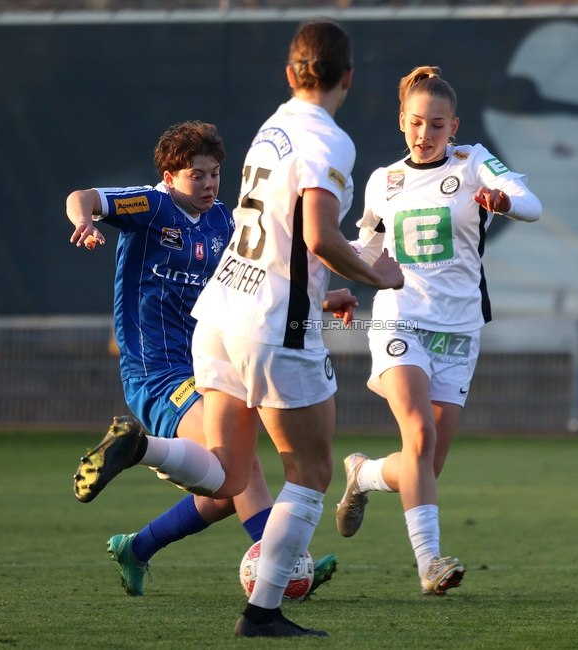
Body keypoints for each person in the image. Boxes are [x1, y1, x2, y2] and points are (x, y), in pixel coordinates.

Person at [189, 20, 403, 637]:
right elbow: (318, 236)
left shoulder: (272, 125)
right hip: (274, 327)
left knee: (230, 471)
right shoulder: (329, 140)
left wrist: (324, 283)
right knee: (311, 474)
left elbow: (290, 239)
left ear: (290, 73)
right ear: (349, 78)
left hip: (222, 308)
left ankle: (142, 449)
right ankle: (263, 615)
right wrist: (377, 276)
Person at [66, 121, 339, 598]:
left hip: (211, 365)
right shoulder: (152, 206)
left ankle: (136, 548)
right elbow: (82, 196)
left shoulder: (225, 224)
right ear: (170, 177)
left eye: (215, 174)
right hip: (155, 372)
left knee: (226, 490)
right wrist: (84, 220)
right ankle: (284, 565)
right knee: (244, 466)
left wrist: (320, 298)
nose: (209, 184)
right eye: (197, 175)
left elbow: (258, 280)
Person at [335, 66, 541, 595]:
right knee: (420, 435)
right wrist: (328, 287)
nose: (425, 134)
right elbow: (368, 251)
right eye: (416, 122)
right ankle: (429, 563)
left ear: (455, 126)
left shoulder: (474, 163)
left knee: (425, 463)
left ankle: (362, 475)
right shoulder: (384, 180)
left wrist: (504, 202)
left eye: (437, 124)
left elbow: (531, 203)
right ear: (402, 121)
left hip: (460, 331)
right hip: (399, 316)